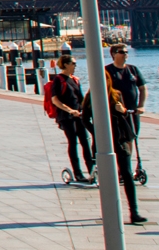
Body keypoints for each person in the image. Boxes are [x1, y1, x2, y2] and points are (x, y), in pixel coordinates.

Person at [45, 56, 95, 182]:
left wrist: (86, 110)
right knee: (73, 142)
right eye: (73, 63)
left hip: (79, 115)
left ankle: (92, 170)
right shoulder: (59, 79)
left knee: (85, 142)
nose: (75, 66)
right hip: (66, 117)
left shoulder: (75, 80)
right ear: (66, 64)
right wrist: (69, 110)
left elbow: (81, 99)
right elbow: (55, 99)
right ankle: (78, 173)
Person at [105, 85, 148, 224]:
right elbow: (86, 119)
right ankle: (110, 210)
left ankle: (134, 212)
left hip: (120, 140)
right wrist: (97, 134)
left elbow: (124, 114)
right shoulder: (93, 96)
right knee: (108, 177)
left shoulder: (116, 94)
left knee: (127, 174)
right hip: (105, 143)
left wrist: (122, 111)